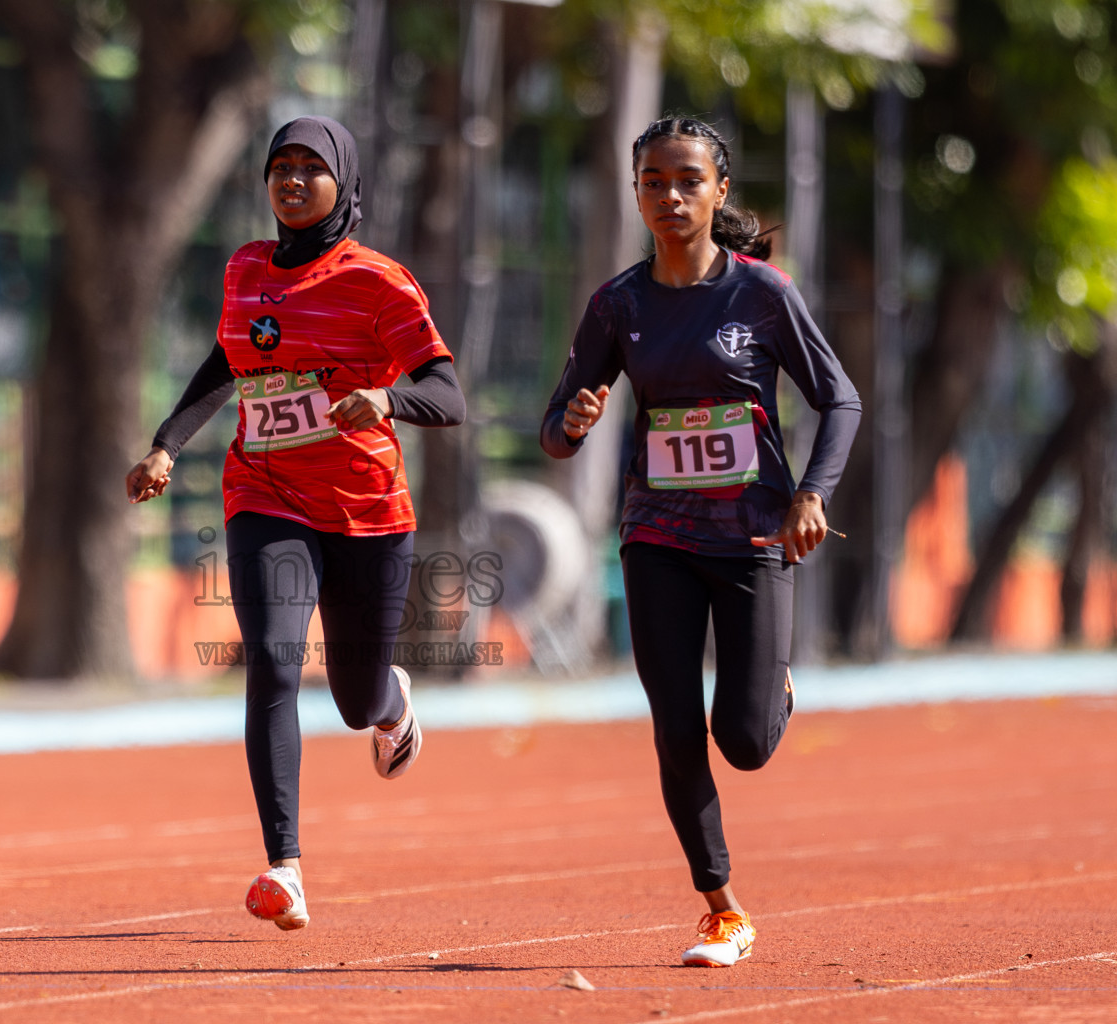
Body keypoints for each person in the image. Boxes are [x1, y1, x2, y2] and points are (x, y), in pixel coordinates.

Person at [126, 116, 465, 931]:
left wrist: (387, 398)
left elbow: (448, 396)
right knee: (273, 661)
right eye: (281, 165)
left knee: (353, 698)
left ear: (344, 183)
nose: (292, 179)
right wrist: (167, 444)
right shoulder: (244, 267)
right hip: (264, 494)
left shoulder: (380, 281)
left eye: (312, 167)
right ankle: (286, 865)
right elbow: (228, 360)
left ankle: (391, 705)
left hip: (366, 510)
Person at [540, 117, 861, 967]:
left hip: (753, 534)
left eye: (687, 180)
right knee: (674, 725)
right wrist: (572, 421)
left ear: (720, 191)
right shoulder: (620, 303)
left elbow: (842, 400)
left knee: (744, 743)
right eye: (652, 181)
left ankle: (772, 685)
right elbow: (557, 425)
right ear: (635, 191)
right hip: (657, 535)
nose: (670, 196)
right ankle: (721, 907)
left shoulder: (761, 294)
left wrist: (811, 495)